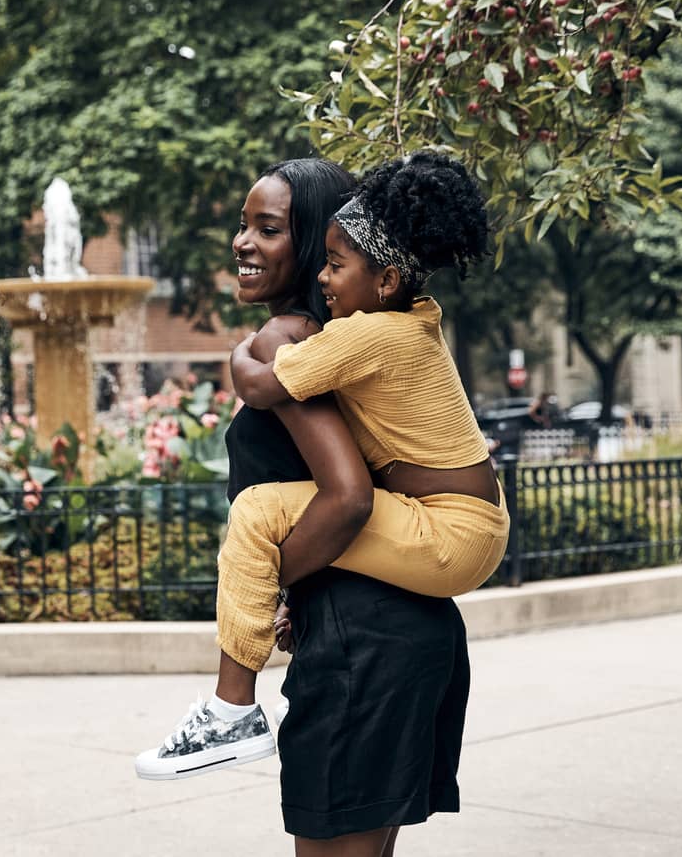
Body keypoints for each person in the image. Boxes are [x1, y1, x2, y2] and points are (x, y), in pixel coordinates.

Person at [134, 158, 476, 853]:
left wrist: (273, 580)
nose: (243, 243)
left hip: (364, 647)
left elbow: (347, 498)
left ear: (321, 242)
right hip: (409, 630)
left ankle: (230, 712)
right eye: (242, 224)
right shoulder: (359, 339)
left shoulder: (289, 342)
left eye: (268, 228)